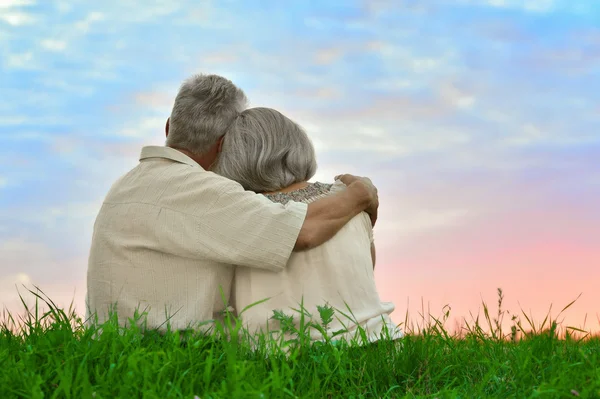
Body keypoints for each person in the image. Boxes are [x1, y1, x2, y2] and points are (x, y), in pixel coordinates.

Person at [86, 74, 380, 332]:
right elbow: (303, 230)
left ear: (168, 127)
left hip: (116, 349)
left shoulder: (126, 185)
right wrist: (361, 193)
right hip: (167, 354)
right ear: (225, 144)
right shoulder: (198, 189)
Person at [212, 107, 403, 344]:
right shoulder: (350, 196)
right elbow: (364, 273)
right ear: (298, 146)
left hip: (287, 361)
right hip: (378, 344)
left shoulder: (243, 215)